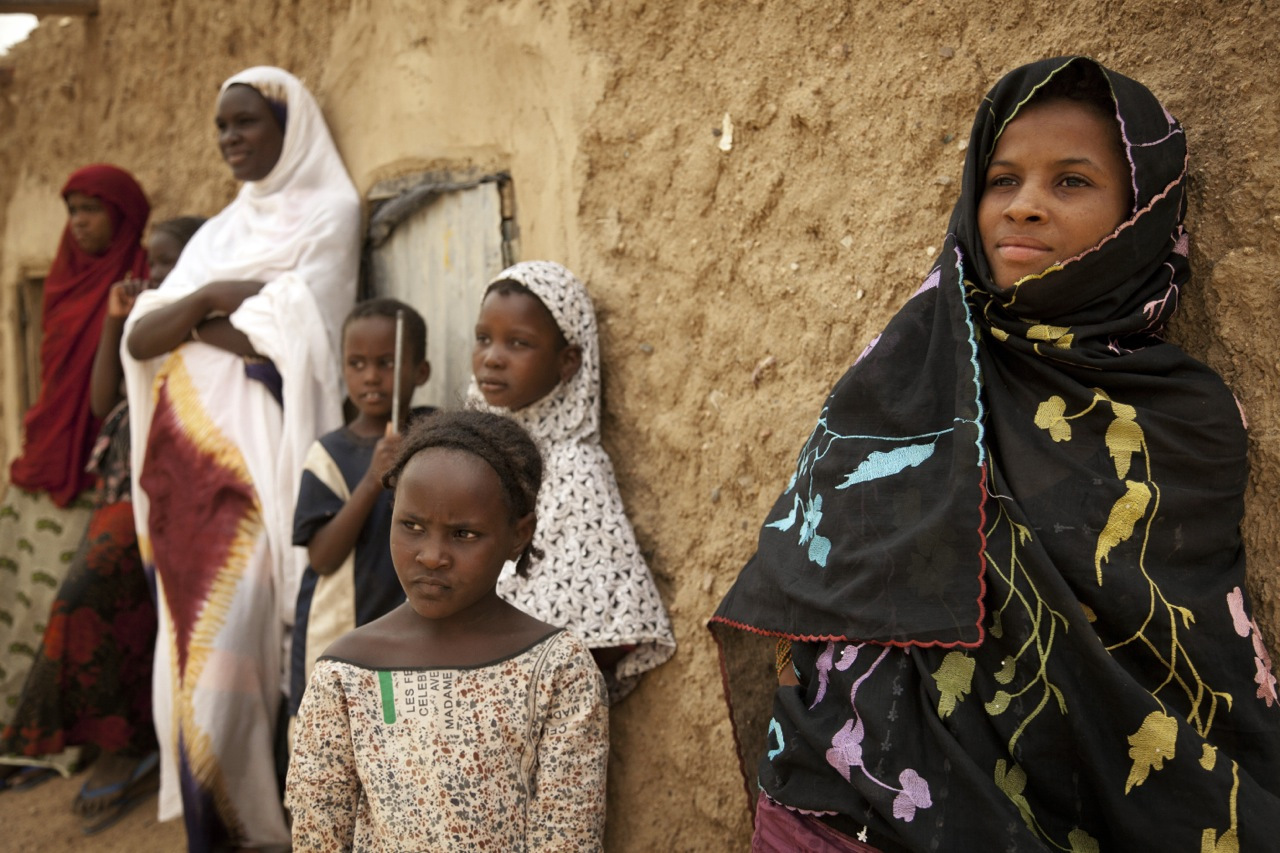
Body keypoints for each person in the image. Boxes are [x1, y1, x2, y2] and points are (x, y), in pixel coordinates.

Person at [710, 56, 1280, 851]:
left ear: (1140, 212)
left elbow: (1180, 643)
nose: (1024, 206)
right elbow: (811, 568)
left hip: (1055, 818)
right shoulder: (914, 361)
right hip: (840, 803)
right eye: (1002, 179)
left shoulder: (1183, 418)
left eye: (1071, 181)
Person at [121, 67, 360, 851]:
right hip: (179, 464)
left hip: (258, 465)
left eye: (246, 121)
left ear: (289, 125)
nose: (230, 138)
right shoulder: (218, 233)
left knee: (239, 643)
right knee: (193, 647)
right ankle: (220, 832)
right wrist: (209, 297)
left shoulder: (330, 212)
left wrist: (192, 318)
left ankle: (262, 826)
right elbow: (141, 336)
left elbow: (298, 339)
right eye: (222, 125)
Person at [286, 409, 609, 850]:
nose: (432, 556)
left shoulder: (558, 670)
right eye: (412, 527)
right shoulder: (345, 675)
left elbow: (568, 838)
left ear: (519, 535)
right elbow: (318, 838)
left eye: (464, 534)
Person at [0, 217, 204, 833]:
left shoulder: (209, 321)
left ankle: (133, 744)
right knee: (87, 598)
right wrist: (118, 320)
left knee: (138, 607)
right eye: (153, 262)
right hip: (123, 485)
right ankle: (106, 740)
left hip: (182, 490)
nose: (157, 274)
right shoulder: (145, 321)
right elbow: (100, 403)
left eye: (170, 262)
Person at [0, 165, 150, 794]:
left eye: (92, 209)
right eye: (73, 210)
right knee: (20, 606)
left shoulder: (142, 279)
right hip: (42, 465)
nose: (80, 222)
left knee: (68, 606)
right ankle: (19, 729)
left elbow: (108, 394)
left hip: (100, 476)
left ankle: (62, 740)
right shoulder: (62, 280)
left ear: (122, 215)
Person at [467, 260, 676, 702]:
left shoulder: (573, 470)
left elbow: (599, 627)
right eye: (483, 338)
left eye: (518, 343)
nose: (492, 357)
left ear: (568, 362)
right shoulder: (470, 456)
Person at [289, 298, 433, 716]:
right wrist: (373, 479)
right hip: (342, 629)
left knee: (401, 726)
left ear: (420, 372)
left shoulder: (436, 436)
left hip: (415, 632)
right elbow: (322, 557)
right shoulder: (328, 455)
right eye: (357, 363)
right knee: (341, 730)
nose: (370, 376)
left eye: (386, 363)